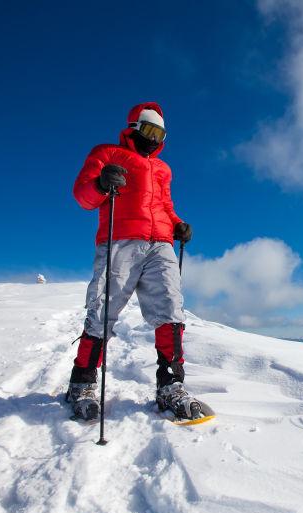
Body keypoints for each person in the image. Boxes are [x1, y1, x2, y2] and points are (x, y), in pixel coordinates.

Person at [66, 102, 199, 421]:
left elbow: (165, 205)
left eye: (161, 133)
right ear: (134, 128)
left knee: (171, 310)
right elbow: (83, 196)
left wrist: (178, 223)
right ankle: (81, 383)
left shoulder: (164, 169)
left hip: (162, 244)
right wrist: (101, 183)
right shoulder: (107, 153)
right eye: (150, 131)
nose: (155, 139)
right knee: (103, 309)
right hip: (120, 239)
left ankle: (170, 386)